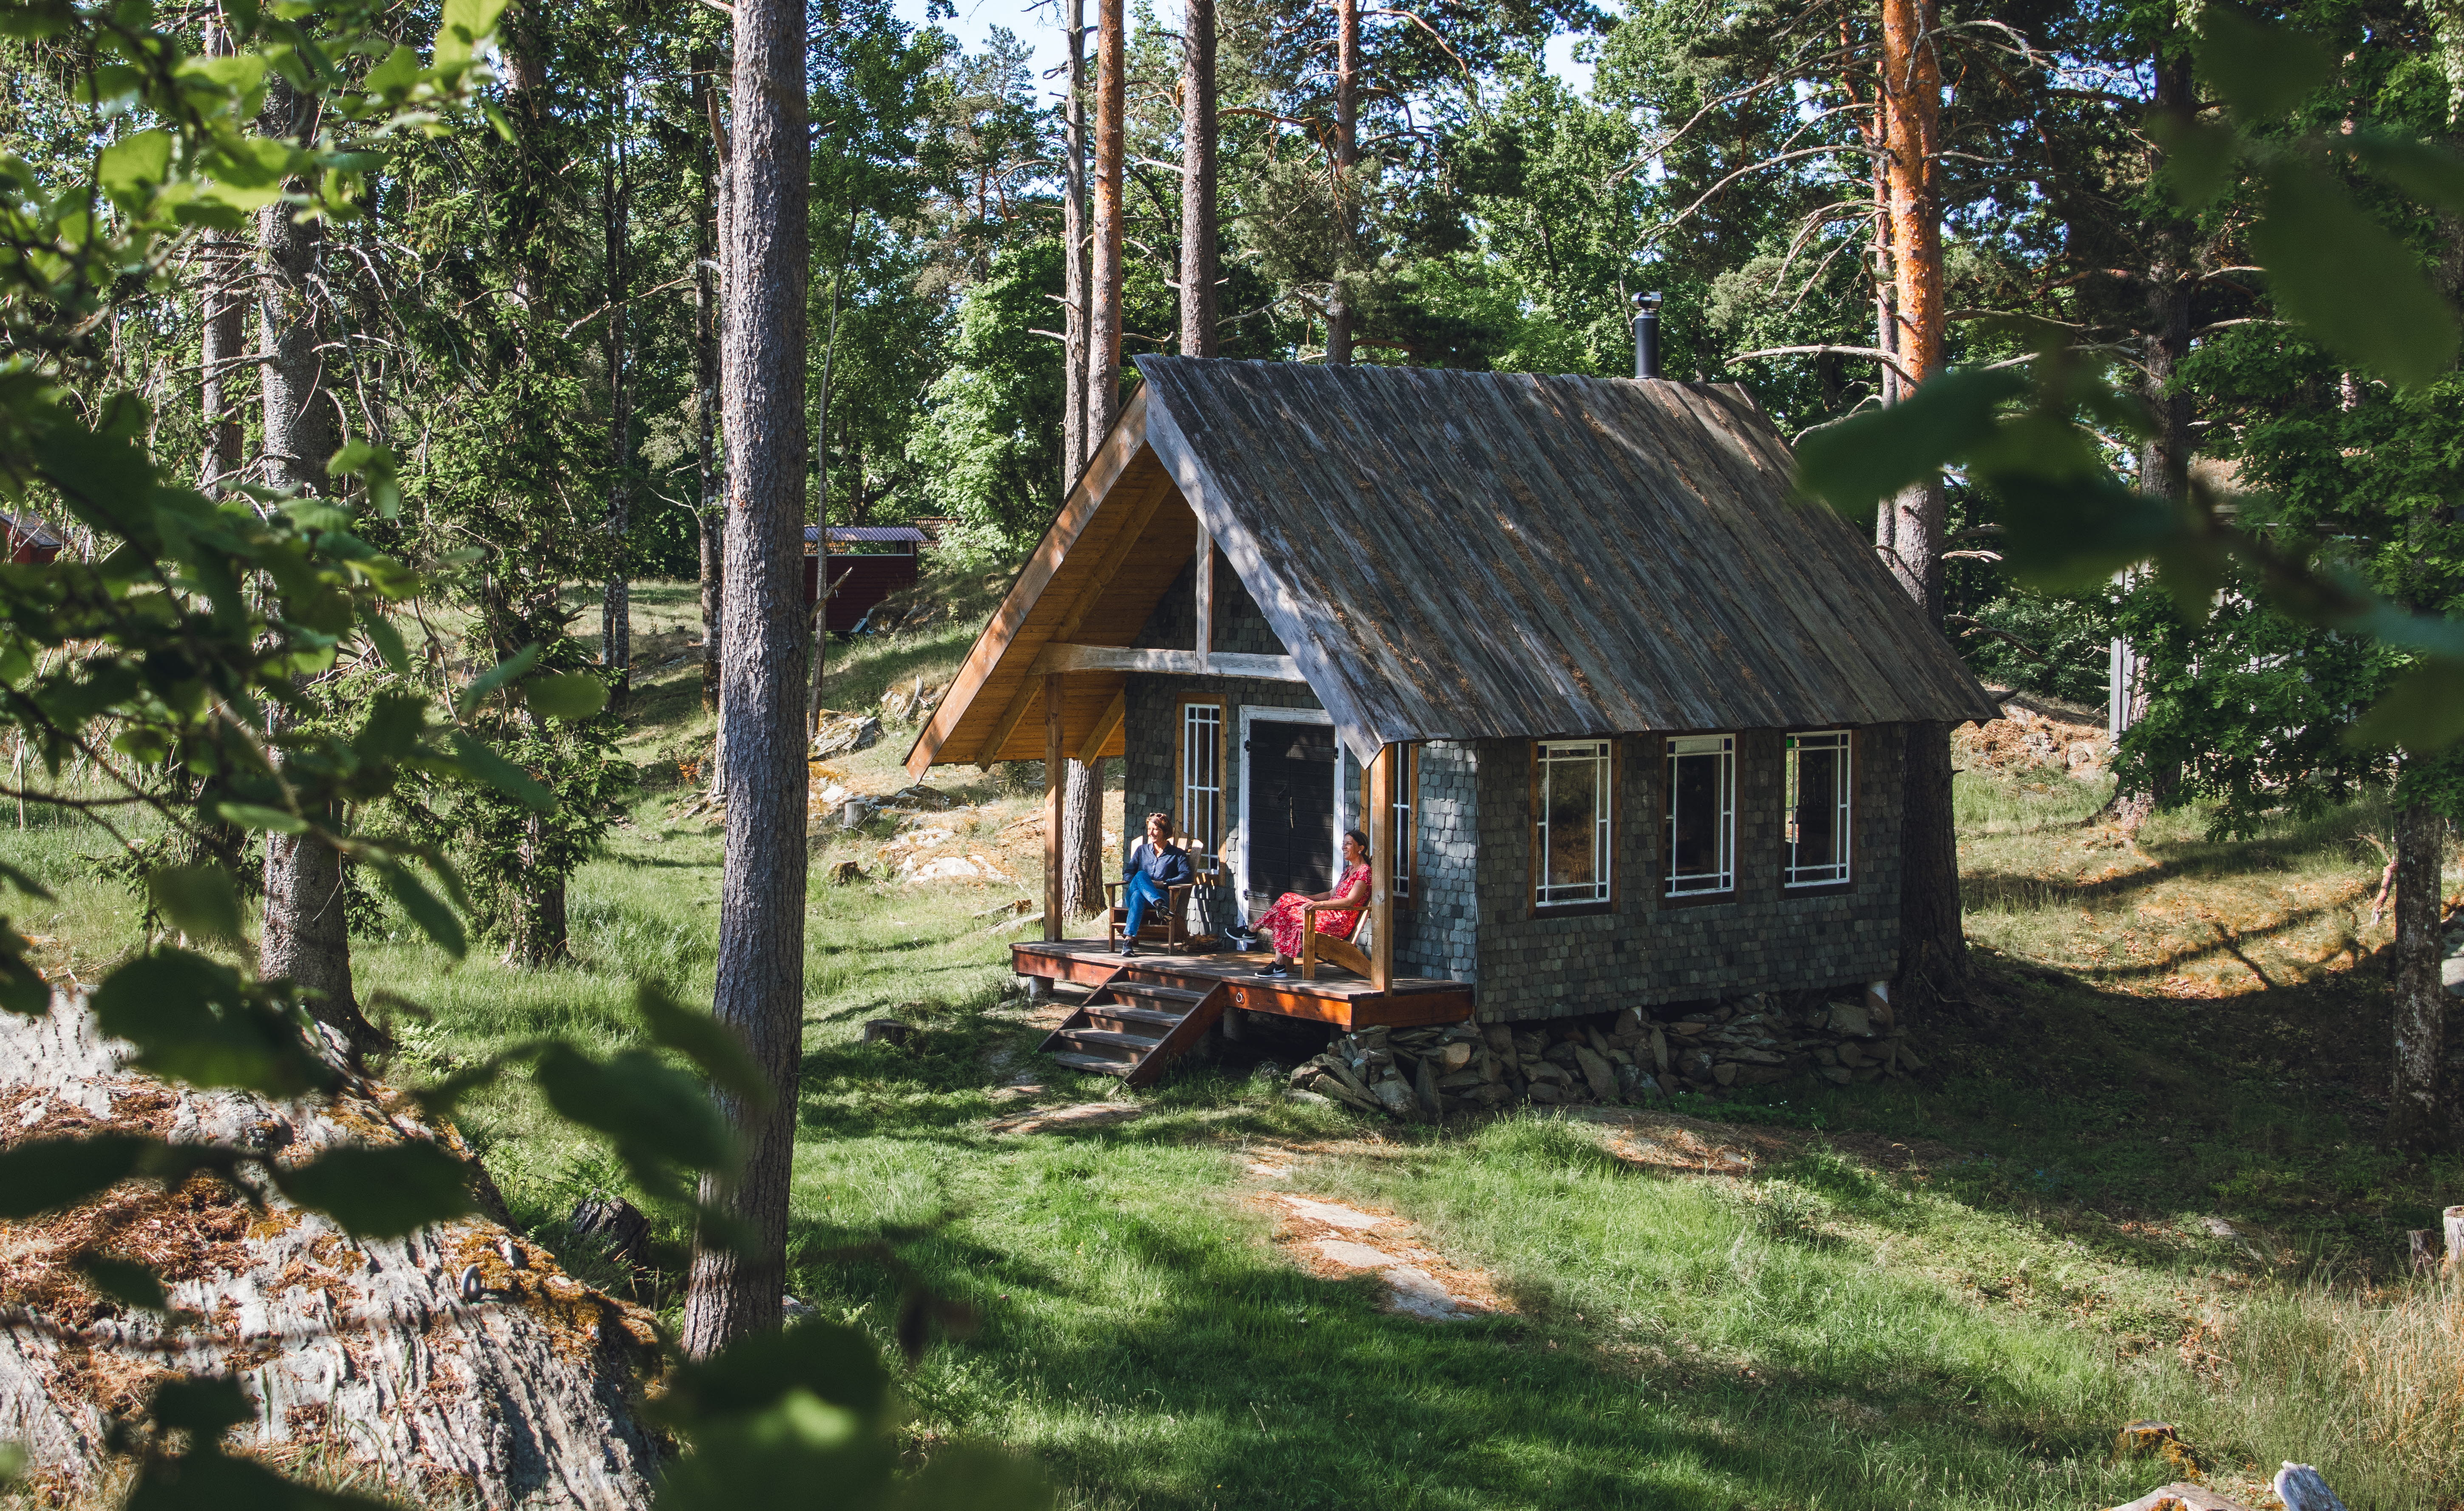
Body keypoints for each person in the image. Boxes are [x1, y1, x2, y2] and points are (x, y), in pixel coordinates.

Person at [1251, 829, 1370, 977]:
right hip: (1327, 916)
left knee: (1288, 903)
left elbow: (1350, 901)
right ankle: (1278, 965)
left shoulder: (1364, 871)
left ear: (1361, 848)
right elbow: (1329, 894)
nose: (1344, 847)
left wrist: (1318, 905)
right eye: (1343, 844)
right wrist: (1304, 899)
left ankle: (1252, 931)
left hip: (1338, 922)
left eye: (1349, 844)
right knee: (1286, 911)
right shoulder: (1349, 870)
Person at [1117, 811, 1193, 956]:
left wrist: (1164, 883)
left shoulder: (1177, 854)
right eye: (1149, 829)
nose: (1151, 833)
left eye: (1155, 830)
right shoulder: (1142, 850)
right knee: (1140, 876)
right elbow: (1128, 873)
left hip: (1162, 894)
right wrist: (1141, 882)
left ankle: (1128, 942)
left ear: (1165, 832)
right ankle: (1159, 906)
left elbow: (1186, 876)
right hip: (1143, 894)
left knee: (1139, 896)